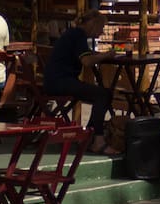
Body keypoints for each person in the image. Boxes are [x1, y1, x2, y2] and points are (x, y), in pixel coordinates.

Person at [45, 11, 115, 151]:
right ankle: (97, 140)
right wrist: (106, 55)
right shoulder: (78, 36)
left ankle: (89, 136)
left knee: (102, 93)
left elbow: (85, 54)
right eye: (101, 27)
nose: (101, 32)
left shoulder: (72, 33)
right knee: (102, 94)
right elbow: (87, 61)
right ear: (93, 24)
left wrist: (98, 55)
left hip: (53, 81)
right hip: (61, 82)